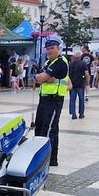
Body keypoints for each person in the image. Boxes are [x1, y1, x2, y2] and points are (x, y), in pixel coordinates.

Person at [33, 38, 69, 166]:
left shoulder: (60, 62)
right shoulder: (49, 62)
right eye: (47, 49)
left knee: (47, 130)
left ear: (59, 49)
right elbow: (40, 79)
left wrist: (43, 77)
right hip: (44, 99)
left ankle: (45, 161)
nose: (49, 51)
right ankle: (50, 159)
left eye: (52, 48)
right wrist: (43, 77)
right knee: (41, 128)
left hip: (54, 100)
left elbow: (41, 77)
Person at [68, 46, 89, 119]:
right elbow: (86, 74)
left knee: (72, 99)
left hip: (72, 84)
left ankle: (73, 114)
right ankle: (81, 113)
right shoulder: (83, 64)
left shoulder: (71, 64)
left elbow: (68, 74)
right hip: (80, 84)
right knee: (81, 99)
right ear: (80, 56)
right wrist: (87, 82)